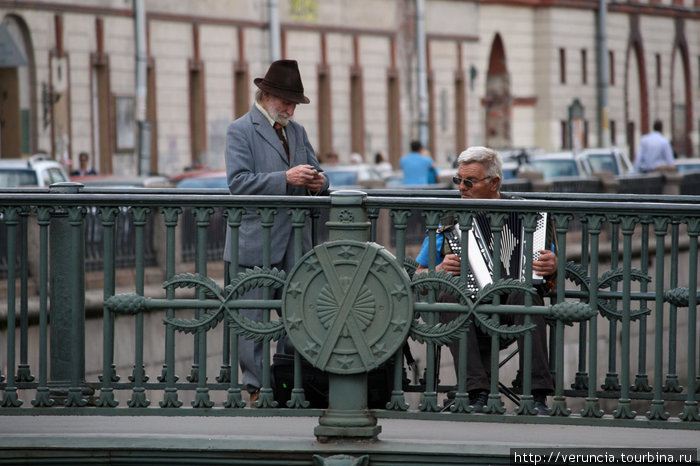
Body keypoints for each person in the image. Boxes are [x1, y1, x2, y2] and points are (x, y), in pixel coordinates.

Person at [414, 146, 556, 414]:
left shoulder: (527, 216)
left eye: (469, 181)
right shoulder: (448, 222)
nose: (462, 188)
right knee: (451, 298)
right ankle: (475, 392)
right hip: (466, 307)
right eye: (458, 180)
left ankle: (536, 395)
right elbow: (417, 275)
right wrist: (440, 268)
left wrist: (553, 265)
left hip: (508, 306)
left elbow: (547, 271)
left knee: (526, 295)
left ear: (495, 183)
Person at [223, 59, 329, 404]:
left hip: (296, 240)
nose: (290, 109)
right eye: (285, 102)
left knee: (297, 315)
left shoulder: (297, 131)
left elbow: (316, 171)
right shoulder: (240, 130)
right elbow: (238, 183)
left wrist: (319, 182)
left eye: (294, 104)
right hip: (257, 239)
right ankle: (255, 388)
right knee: (252, 317)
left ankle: (286, 382)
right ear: (266, 95)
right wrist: (284, 178)